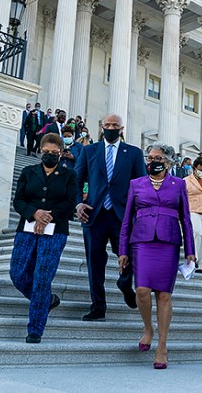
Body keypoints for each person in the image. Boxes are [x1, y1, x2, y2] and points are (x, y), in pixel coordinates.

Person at [118, 143, 195, 369]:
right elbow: (126, 219)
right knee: (142, 291)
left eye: (158, 157)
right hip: (141, 240)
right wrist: (123, 250)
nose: (153, 161)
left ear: (169, 162)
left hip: (168, 241)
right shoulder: (136, 184)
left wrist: (190, 250)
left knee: (163, 295)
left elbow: (186, 219)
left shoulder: (179, 184)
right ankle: (147, 327)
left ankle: (162, 345)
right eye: (150, 158)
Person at [75, 113, 147, 321]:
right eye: (107, 125)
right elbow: (77, 179)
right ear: (101, 127)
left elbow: (141, 186)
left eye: (115, 125)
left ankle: (125, 284)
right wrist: (79, 202)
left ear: (121, 128)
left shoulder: (133, 153)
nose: (111, 128)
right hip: (93, 214)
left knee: (131, 257)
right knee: (94, 262)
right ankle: (98, 306)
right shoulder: (89, 151)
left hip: (122, 216)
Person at [10, 133, 76, 343]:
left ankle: (35, 329)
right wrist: (34, 212)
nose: (49, 155)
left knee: (41, 278)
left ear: (61, 154)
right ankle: (47, 300)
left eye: (54, 153)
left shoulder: (69, 175)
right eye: (46, 152)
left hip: (55, 232)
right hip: (27, 229)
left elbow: (69, 202)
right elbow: (18, 200)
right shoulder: (28, 172)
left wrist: (48, 215)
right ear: (40, 151)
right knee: (18, 274)